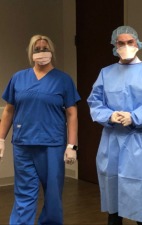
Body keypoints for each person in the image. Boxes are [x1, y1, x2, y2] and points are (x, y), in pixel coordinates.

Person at [87, 25, 142, 225]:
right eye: (121, 43)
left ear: (138, 44)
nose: (125, 46)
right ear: (114, 46)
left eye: (129, 42)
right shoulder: (106, 74)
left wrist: (134, 117)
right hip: (111, 142)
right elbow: (95, 102)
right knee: (114, 200)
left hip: (139, 142)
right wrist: (110, 115)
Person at [0, 34, 81, 225]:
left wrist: (72, 145)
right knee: (24, 193)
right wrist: (1, 138)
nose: (41, 52)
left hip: (52, 144)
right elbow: (9, 110)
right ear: (31, 53)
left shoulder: (63, 80)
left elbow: (72, 114)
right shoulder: (18, 78)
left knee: (53, 195)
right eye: (37, 49)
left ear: (51, 52)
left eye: (45, 48)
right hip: (23, 144)